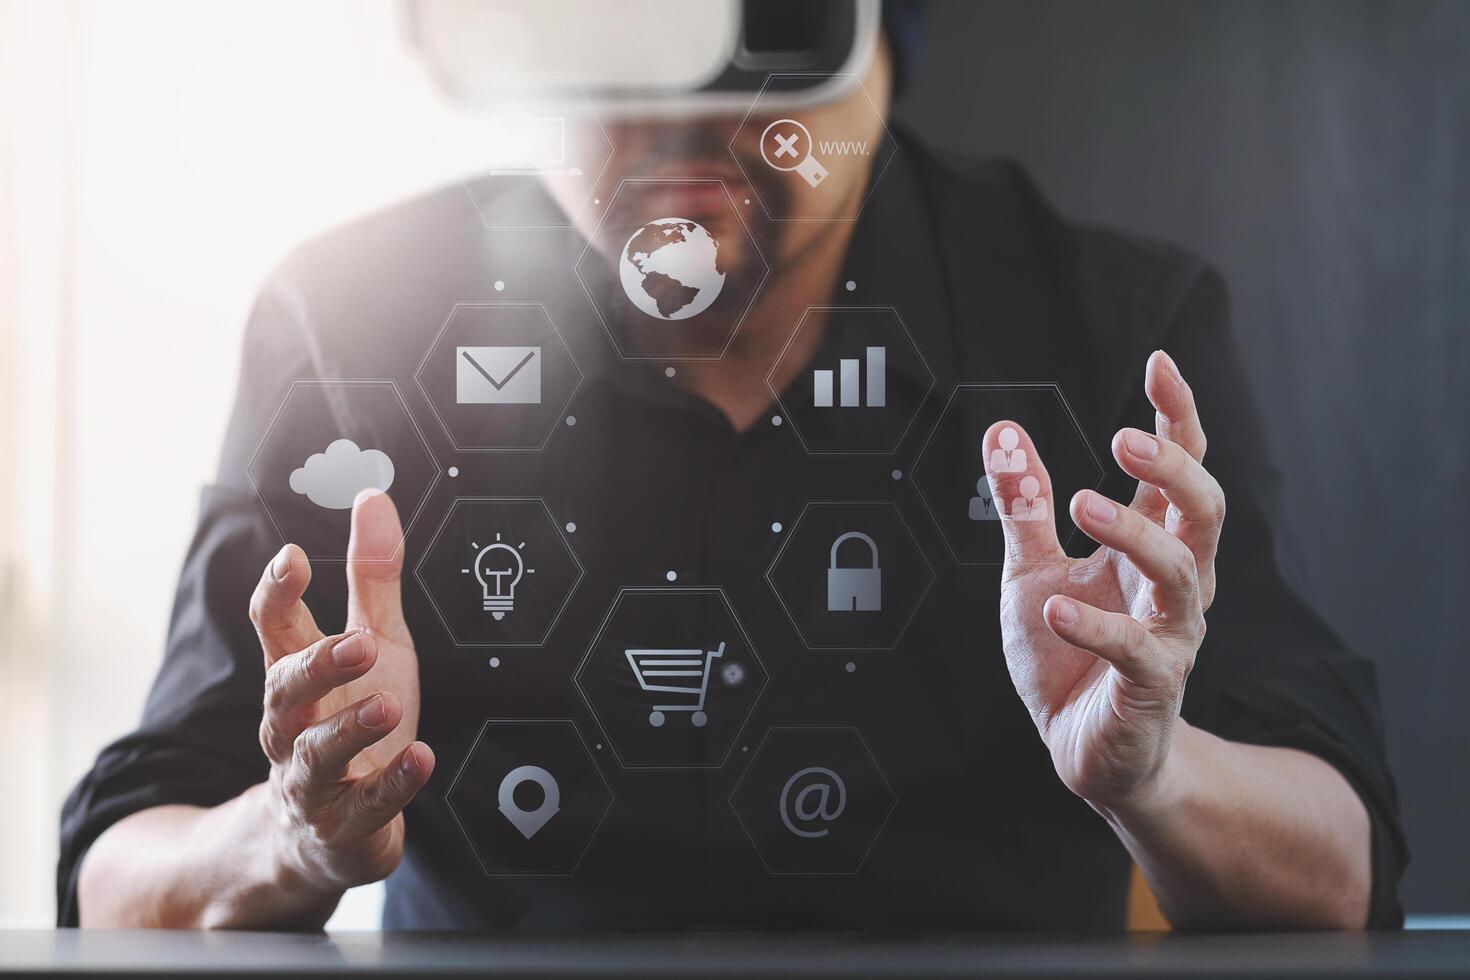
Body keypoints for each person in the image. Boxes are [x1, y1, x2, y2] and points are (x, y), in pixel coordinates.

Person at [59, 11, 1406, 933]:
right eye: (614, 63)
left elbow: (1342, 866)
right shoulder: (352, 321)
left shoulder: (1104, 325)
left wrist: (1152, 773)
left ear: (879, 46)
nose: (676, 148)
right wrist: (296, 839)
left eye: (758, 62)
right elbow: (117, 866)